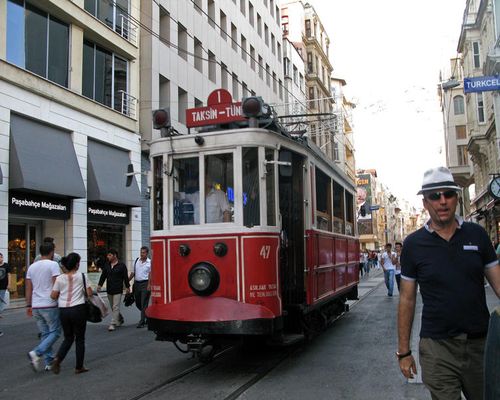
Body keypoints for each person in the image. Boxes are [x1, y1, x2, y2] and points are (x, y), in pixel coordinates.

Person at [397, 166, 500, 400]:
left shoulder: (477, 235)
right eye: (434, 196)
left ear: (456, 198)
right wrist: (403, 352)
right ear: (425, 203)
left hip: (480, 346)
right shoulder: (413, 245)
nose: (442, 201)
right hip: (437, 348)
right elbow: (407, 299)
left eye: (448, 194)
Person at [50, 253, 92, 374]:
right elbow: (89, 294)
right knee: (80, 339)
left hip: (63, 310)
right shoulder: (82, 276)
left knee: (68, 338)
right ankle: (79, 366)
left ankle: (58, 358)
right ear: (77, 264)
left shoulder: (59, 278)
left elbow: (53, 296)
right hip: (78, 309)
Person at [25, 242, 61, 372]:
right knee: (55, 332)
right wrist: (59, 300)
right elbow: (56, 285)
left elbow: (29, 287)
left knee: (45, 334)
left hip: (36, 304)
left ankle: (49, 361)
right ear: (51, 252)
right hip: (50, 303)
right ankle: (37, 353)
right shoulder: (53, 265)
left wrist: (28, 304)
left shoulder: (32, 267)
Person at [97, 249, 130, 331]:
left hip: (118, 289)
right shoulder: (107, 265)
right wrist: (99, 285)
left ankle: (112, 323)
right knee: (113, 307)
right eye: (108, 255)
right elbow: (103, 276)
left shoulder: (122, 265)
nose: (108, 257)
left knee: (115, 307)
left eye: (110, 255)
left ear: (115, 255)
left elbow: (125, 277)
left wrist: (127, 287)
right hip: (109, 289)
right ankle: (119, 319)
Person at [128, 246, 151, 328]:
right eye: (141, 252)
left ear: (147, 253)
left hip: (145, 284)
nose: (142, 254)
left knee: (143, 302)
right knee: (138, 303)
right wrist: (127, 281)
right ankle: (148, 316)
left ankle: (142, 321)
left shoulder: (150, 262)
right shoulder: (137, 261)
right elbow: (133, 273)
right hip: (137, 284)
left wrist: (149, 284)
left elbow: (151, 274)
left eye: (143, 252)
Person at [0, 252, 11, 337]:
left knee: (1, 302)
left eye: (1, 257)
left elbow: (9, 275)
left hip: (3, 287)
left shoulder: (6, 265)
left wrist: (9, 284)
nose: (0, 259)